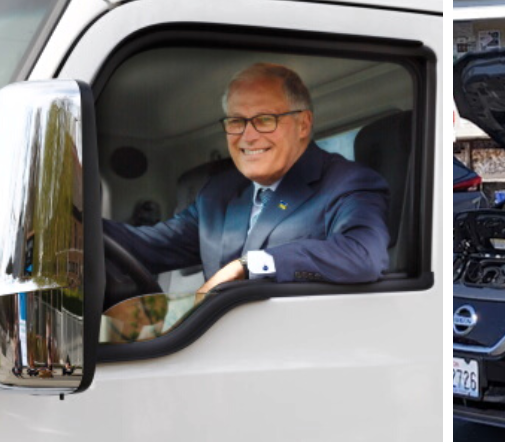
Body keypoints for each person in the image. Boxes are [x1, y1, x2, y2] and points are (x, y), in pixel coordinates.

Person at [103, 63, 390, 290]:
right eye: (237, 121)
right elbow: (149, 246)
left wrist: (252, 265)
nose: (248, 136)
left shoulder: (348, 183)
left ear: (303, 124)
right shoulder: (218, 194)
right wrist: (75, 221)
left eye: (265, 120)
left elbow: (363, 256)